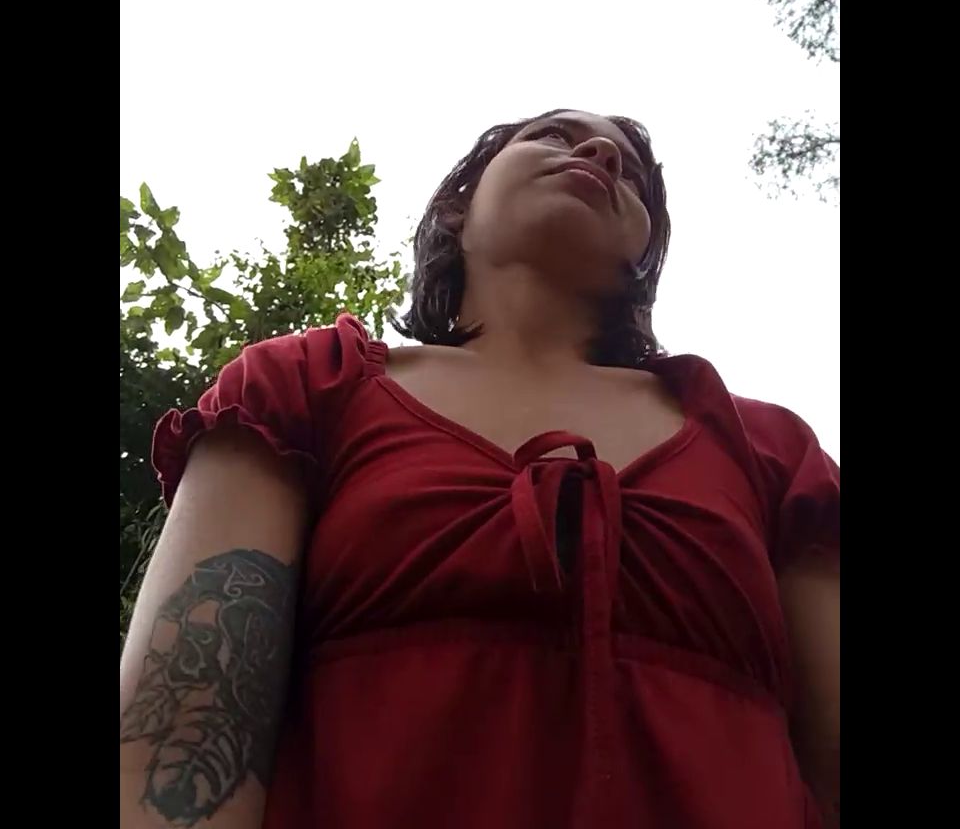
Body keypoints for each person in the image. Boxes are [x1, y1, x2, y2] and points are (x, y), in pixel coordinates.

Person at [119, 109, 840, 829]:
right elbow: (181, 730)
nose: (600, 154)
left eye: (634, 177)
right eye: (553, 136)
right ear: (458, 206)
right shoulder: (307, 385)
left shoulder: (768, 448)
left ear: (646, 255)